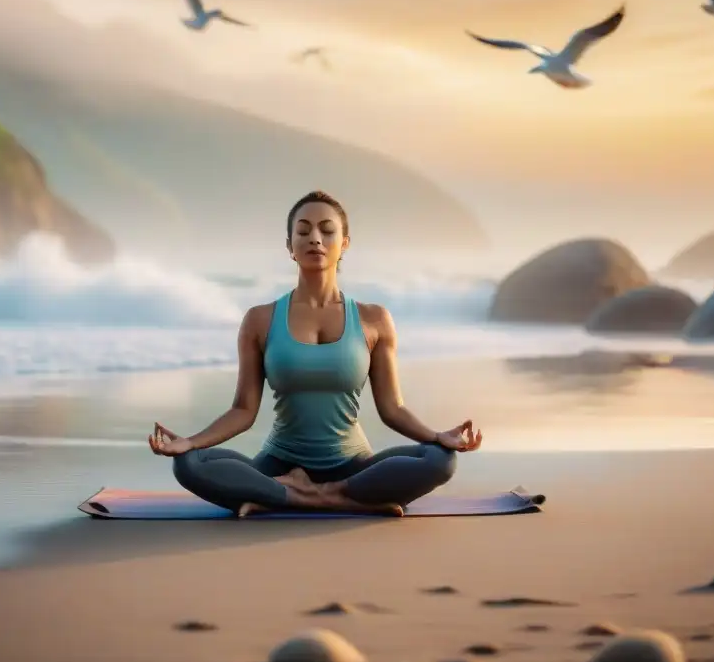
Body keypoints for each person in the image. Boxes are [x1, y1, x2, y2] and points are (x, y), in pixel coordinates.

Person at [148, 190, 483, 517]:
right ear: (289, 246)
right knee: (190, 463)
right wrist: (190, 442)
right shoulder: (260, 319)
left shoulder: (373, 319)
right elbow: (243, 410)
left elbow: (393, 409)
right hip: (279, 465)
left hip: (354, 467)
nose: (315, 239)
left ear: (345, 243)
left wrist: (439, 436)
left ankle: (296, 495)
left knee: (440, 459)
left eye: (327, 230)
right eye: (303, 230)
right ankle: (329, 497)